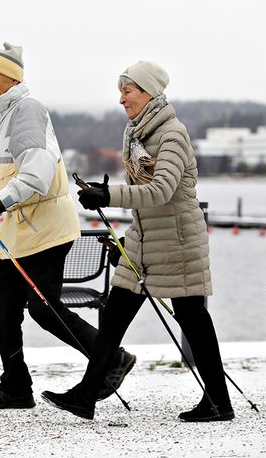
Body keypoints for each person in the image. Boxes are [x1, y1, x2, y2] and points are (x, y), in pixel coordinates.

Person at [41, 61, 234, 422]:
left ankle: (219, 403)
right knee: (114, 317)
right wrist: (106, 203)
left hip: (177, 242)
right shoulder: (138, 134)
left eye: (127, 91)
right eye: (121, 91)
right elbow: (142, 194)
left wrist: (108, 196)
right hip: (143, 241)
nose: (121, 99)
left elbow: (161, 191)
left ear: (148, 93)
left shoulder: (171, 134)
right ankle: (86, 397)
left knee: (193, 318)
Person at [0, 42, 136, 410]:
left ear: (10, 77)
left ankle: (112, 358)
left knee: (43, 308)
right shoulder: (2, 116)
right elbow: (2, 176)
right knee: (2, 308)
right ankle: (17, 387)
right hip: (22, 229)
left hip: (47, 227)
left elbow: (35, 175)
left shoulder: (26, 110)